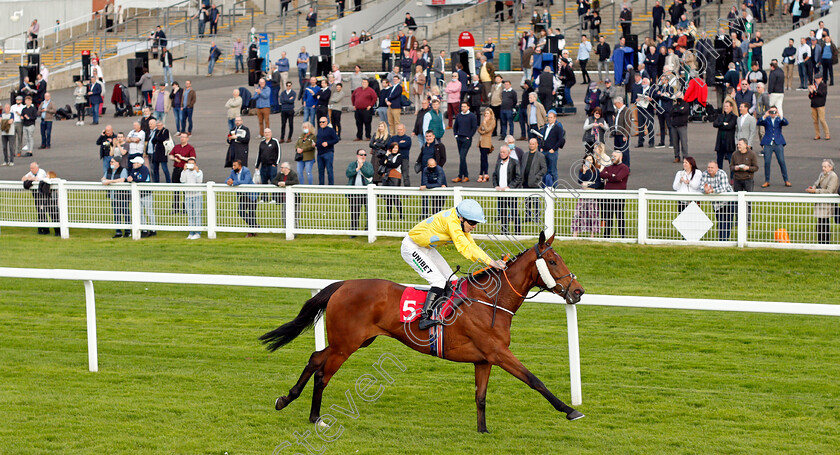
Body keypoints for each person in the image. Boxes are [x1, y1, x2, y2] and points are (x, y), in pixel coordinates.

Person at [401, 199, 505, 330]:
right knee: (438, 281)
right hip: (411, 247)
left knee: (453, 280)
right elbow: (464, 248)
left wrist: (492, 261)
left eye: (476, 223)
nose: (474, 226)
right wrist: (491, 263)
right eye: (472, 223)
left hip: (426, 248)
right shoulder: (452, 223)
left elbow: (472, 245)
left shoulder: (459, 221)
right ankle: (424, 318)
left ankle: (445, 312)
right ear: (461, 218)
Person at [806, 159, 839, 244]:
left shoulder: (833, 176)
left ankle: (825, 243)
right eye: (822, 166)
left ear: (830, 167)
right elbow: (816, 183)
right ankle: (820, 242)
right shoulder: (822, 174)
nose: (823, 168)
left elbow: (830, 191)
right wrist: (813, 188)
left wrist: (815, 191)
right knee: (820, 224)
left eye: (825, 167)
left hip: (828, 204)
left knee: (824, 224)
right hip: (820, 203)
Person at [757, 106, 791, 187]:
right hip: (768, 143)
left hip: (778, 142)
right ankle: (767, 180)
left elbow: (786, 123)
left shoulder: (779, 119)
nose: (773, 114)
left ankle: (786, 180)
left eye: (774, 112)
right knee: (767, 162)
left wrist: (780, 115)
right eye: (771, 112)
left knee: (781, 161)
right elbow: (758, 122)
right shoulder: (767, 119)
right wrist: (765, 116)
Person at [492, 145, 522, 235]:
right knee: (503, 212)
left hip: (511, 192)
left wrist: (509, 187)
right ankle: (504, 232)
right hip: (501, 193)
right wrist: (496, 185)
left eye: (504, 152)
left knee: (514, 212)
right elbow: (494, 176)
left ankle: (517, 232)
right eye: (501, 152)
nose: (502, 154)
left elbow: (518, 177)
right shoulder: (498, 163)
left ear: (508, 153)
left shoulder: (514, 162)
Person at [702, 161, 735, 241]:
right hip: (716, 203)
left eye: (712, 168)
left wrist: (712, 190)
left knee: (727, 221)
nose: (709, 169)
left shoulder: (722, 173)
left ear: (717, 168)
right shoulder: (705, 174)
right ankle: (722, 240)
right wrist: (705, 190)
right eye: (708, 167)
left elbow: (723, 188)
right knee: (720, 221)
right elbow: (701, 186)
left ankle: (724, 240)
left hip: (728, 200)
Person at [601, 151, 630, 238]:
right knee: (608, 217)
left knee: (619, 216)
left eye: (615, 156)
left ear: (620, 157)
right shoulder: (608, 166)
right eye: (612, 156)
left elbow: (618, 178)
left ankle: (622, 237)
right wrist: (612, 175)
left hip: (619, 196)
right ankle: (606, 237)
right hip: (608, 196)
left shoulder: (624, 168)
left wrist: (608, 176)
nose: (613, 158)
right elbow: (601, 174)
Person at [572, 154, 603, 237]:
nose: (589, 161)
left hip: (592, 194)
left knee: (592, 214)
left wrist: (588, 186)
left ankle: (592, 234)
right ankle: (575, 233)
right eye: (587, 159)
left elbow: (598, 184)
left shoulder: (596, 171)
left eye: (590, 159)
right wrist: (584, 172)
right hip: (583, 195)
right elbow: (580, 181)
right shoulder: (582, 170)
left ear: (593, 161)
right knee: (578, 213)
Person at [226, 159, 259, 236]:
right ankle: (255, 226)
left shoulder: (246, 171)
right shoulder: (233, 172)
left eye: (235, 165)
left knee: (252, 213)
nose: (233, 167)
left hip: (252, 194)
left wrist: (233, 182)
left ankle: (252, 231)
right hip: (244, 195)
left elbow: (245, 182)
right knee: (241, 211)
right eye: (233, 165)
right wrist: (228, 181)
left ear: (240, 166)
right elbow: (227, 179)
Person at [126, 156, 156, 238]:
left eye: (135, 163)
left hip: (146, 194)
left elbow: (142, 179)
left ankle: (153, 229)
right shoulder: (133, 170)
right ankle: (144, 229)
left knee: (149, 211)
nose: (133, 164)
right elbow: (131, 178)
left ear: (139, 164)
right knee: (140, 212)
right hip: (138, 195)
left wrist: (133, 179)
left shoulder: (144, 169)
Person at [101, 156, 129, 238]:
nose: (111, 163)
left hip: (122, 196)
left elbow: (122, 179)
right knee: (116, 214)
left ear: (118, 163)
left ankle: (127, 231)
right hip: (114, 196)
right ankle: (118, 231)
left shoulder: (123, 170)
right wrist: (104, 181)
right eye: (111, 162)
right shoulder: (109, 170)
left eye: (112, 162)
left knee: (125, 213)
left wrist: (110, 181)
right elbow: (104, 178)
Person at [346, 149, 373, 231]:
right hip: (354, 192)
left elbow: (370, 173)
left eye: (365, 155)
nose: (363, 156)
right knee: (354, 212)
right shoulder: (352, 164)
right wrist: (357, 168)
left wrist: (362, 167)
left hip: (366, 192)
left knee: (368, 212)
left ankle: (368, 228)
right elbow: (348, 174)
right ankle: (354, 229)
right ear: (357, 155)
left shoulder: (368, 165)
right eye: (361, 154)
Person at [20, 162, 51, 235]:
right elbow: (23, 178)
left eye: (32, 168)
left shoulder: (41, 172)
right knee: (39, 211)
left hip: (43, 194)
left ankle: (46, 229)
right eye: (30, 168)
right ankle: (41, 228)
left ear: (37, 168)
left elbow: (37, 179)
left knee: (43, 210)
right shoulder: (31, 173)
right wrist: (30, 178)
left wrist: (30, 179)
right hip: (36, 194)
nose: (31, 169)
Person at [178, 156, 203, 239]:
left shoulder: (199, 172)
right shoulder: (185, 172)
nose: (191, 165)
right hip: (188, 196)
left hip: (197, 195)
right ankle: (191, 232)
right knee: (190, 214)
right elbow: (182, 180)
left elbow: (199, 181)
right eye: (189, 164)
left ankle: (198, 232)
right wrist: (184, 170)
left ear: (195, 164)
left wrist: (197, 171)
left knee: (197, 214)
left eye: (192, 164)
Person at [452, 102, 478, 183]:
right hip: (459, 138)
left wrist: (469, 136)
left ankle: (463, 175)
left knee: (462, 157)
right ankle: (463, 176)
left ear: (468, 107)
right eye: (462, 106)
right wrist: (456, 135)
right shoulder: (459, 115)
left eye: (464, 106)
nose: (463, 108)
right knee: (461, 157)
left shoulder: (472, 116)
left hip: (466, 139)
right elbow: (455, 126)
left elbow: (474, 127)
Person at [540, 110, 565, 187]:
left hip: (552, 152)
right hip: (544, 151)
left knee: (553, 171)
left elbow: (560, 140)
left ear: (555, 118)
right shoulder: (545, 127)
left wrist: (554, 149)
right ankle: (544, 186)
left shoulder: (558, 128)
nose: (549, 119)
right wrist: (541, 147)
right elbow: (543, 138)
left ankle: (554, 187)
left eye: (551, 117)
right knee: (544, 170)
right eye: (548, 117)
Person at [256, 128, 282, 194]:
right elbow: (259, 154)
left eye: (268, 132)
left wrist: (275, 163)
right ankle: (264, 198)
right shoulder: (262, 143)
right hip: (263, 166)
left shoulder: (275, 142)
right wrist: (257, 165)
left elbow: (279, 153)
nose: (267, 134)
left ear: (271, 133)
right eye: (265, 132)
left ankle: (274, 198)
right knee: (264, 182)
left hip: (272, 166)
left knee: (273, 182)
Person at [713, 100, 737, 168]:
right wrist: (723, 123)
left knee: (731, 160)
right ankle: (719, 175)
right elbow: (715, 124)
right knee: (719, 160)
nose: (725, 108)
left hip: (729, 141)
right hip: (720, 141)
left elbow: (730, 126)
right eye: (724, 106)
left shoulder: (734, 117)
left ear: (731, 107)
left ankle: (732, 177)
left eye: (727, 106)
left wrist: (721, 125)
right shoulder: (721, 116)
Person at [315, 117, 339, 185]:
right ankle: (321, 186)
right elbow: (319, 140)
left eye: (323, 122)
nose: (321, 123)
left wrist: (328, 143)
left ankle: (331, 186)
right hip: (319, 153)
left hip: (328, 152)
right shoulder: (319, 130)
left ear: (326, 122)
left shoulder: (330, 130)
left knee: (329, 170)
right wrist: (315, 144)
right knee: (320, 171)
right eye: (320, 122)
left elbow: (336, 139)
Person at [612, 97, 632, 167]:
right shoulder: (618, 111)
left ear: (619, 103)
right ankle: (617, 167)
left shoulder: (627, 111)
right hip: (617, 134)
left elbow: (628, 124)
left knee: (624, 152)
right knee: (617, 152)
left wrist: (626, 135)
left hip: (622, 134)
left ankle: (626, 167)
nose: (615, 105)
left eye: (615, 104)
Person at [808, 73, 829, 140]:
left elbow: (822, 94)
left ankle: (827, 134)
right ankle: (817, 134)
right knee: (815, 121)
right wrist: (811, 92)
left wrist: (815, 90)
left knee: (822, 120)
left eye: (818, 79)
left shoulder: (823, 86)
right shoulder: (814, 86)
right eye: (815, 79)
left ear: (821, 79)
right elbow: (810, 97)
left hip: (820, 105)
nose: (816, 80)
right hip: (813, 105)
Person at [477, 108, 495, 183]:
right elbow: (479, 129)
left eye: (487, 113)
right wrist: (483, 131)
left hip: (487, 142)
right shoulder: (484, 121)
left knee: (484, 158)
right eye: (485, 113)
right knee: (482, 158)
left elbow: (488, 130)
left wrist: (484, 124)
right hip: (481, 141)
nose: (486, 115)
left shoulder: (492, 121)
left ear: (491, 114)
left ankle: (485, 173)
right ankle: (481, 173)